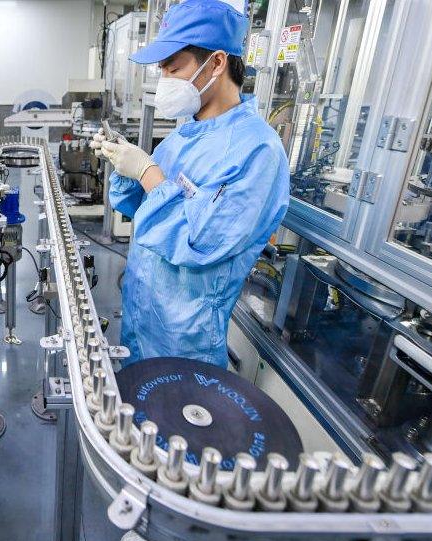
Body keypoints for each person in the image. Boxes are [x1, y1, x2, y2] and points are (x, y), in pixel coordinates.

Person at [91, 0, 290, 369]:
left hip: (185, 338)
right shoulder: (184, 135)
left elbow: (201, 244)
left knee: (177, 421)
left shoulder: (258, 151)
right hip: (141, 317)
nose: (163, 78)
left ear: (216, 63)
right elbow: (140, 209)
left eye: (173, 67)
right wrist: (124, 163)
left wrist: (149, 172)